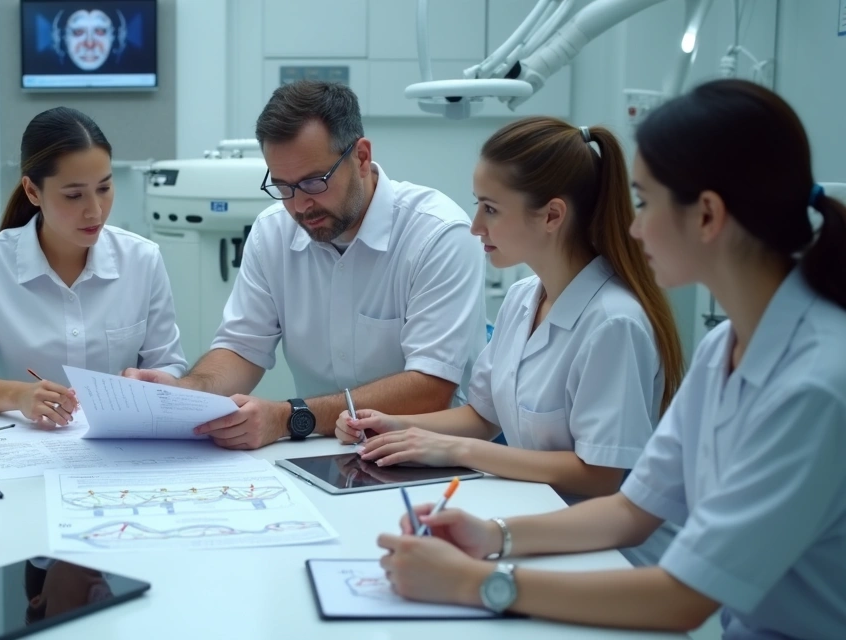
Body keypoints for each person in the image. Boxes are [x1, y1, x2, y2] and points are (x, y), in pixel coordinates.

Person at [376, 79, 846, 638]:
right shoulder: (728, 345)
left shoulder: (815, 383)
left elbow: (682, 600)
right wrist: (492, 536)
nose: (632, 225)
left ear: (707, 216)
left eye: (645, 202)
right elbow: (633, 509)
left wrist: (473, 584)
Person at [337, 117, 684, 565]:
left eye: (491, 209)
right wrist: (392, 425)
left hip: (607, 554)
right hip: (533, 524)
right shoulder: (524, 297)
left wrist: (455, 450)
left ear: (552, 216)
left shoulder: (614, 323)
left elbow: (599, 475)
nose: (476, 226)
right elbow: (483, 416)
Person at [124, 80, 486, 450]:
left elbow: (430, 388)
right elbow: (241, 349)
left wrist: (289, 417)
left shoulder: (437, 235)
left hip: (431, 456)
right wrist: (185, 392)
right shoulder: (272, 233)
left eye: (314, 182)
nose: (298, 206)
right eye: (283, 187)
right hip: (324, 451)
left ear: (361, 157)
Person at [0, 107, 186, 425]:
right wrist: (18, 396)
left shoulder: (142, 259)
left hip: (122, 447)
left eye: (104, 189)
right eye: (74, 195)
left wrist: (150, 381)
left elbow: (169, 366)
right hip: (29, 445)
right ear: (32, 191)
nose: (95, 211)